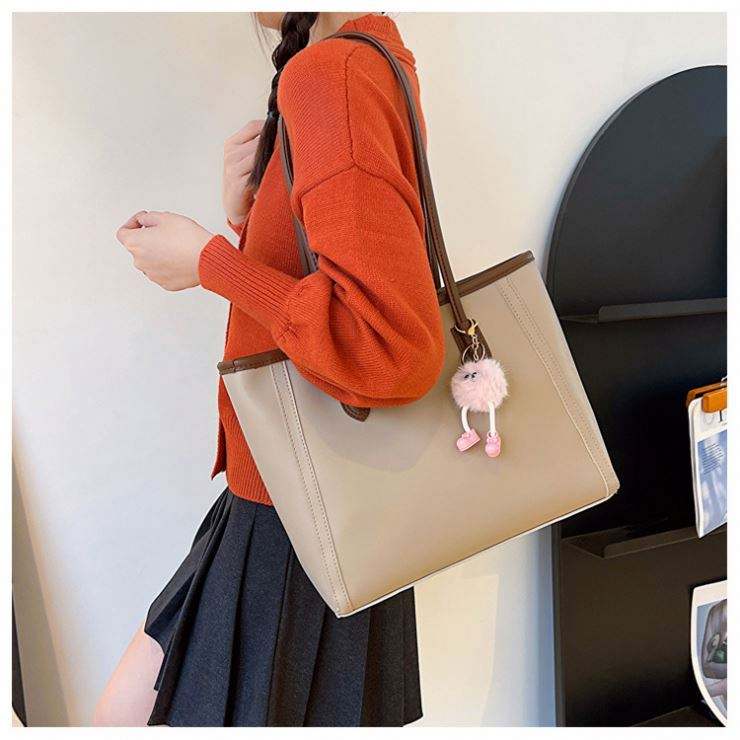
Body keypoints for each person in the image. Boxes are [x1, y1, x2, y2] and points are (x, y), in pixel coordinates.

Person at [96, 11, 444, 727]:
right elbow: (331, 285)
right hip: (300, 496)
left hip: (297, 516)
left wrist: (212, 264)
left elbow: (390, 347)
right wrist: (249, 219)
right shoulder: (369, 55)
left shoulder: (332, 72)